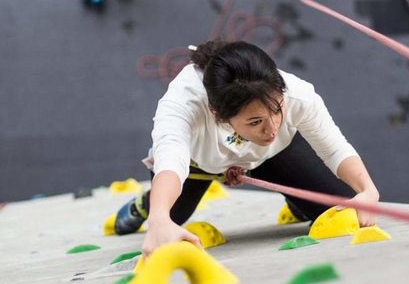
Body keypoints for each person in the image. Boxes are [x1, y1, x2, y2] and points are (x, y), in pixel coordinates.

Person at [113, 40, 380, 256]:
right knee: (171, 215)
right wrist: (158, 218)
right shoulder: (183, 103)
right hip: (198, 163)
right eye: (255, 121)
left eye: (277, 111)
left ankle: (296, 199)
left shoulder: (297, 94)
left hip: (272, 154)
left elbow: (334, 149)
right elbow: (171, 160)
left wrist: (367, 189)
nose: (272, 127)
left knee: (342, 206)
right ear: (217, 114)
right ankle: (143, 204)